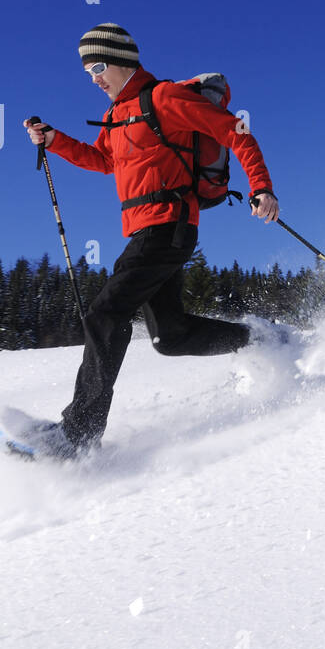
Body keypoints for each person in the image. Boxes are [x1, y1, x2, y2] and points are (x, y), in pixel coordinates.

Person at [22, 23, 280, 457]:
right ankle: (257, 340)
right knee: (170, 337)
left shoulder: (162, 98)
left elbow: (233, 131)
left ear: (123, 59)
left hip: (170, 225)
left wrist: (261, 186)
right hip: (146, 230)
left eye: (99, 66)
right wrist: (55, 140)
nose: (94, 78)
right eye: (87, 72)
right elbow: (103, 160)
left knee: (105, 313)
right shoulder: (115, 115)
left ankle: (77, 436)